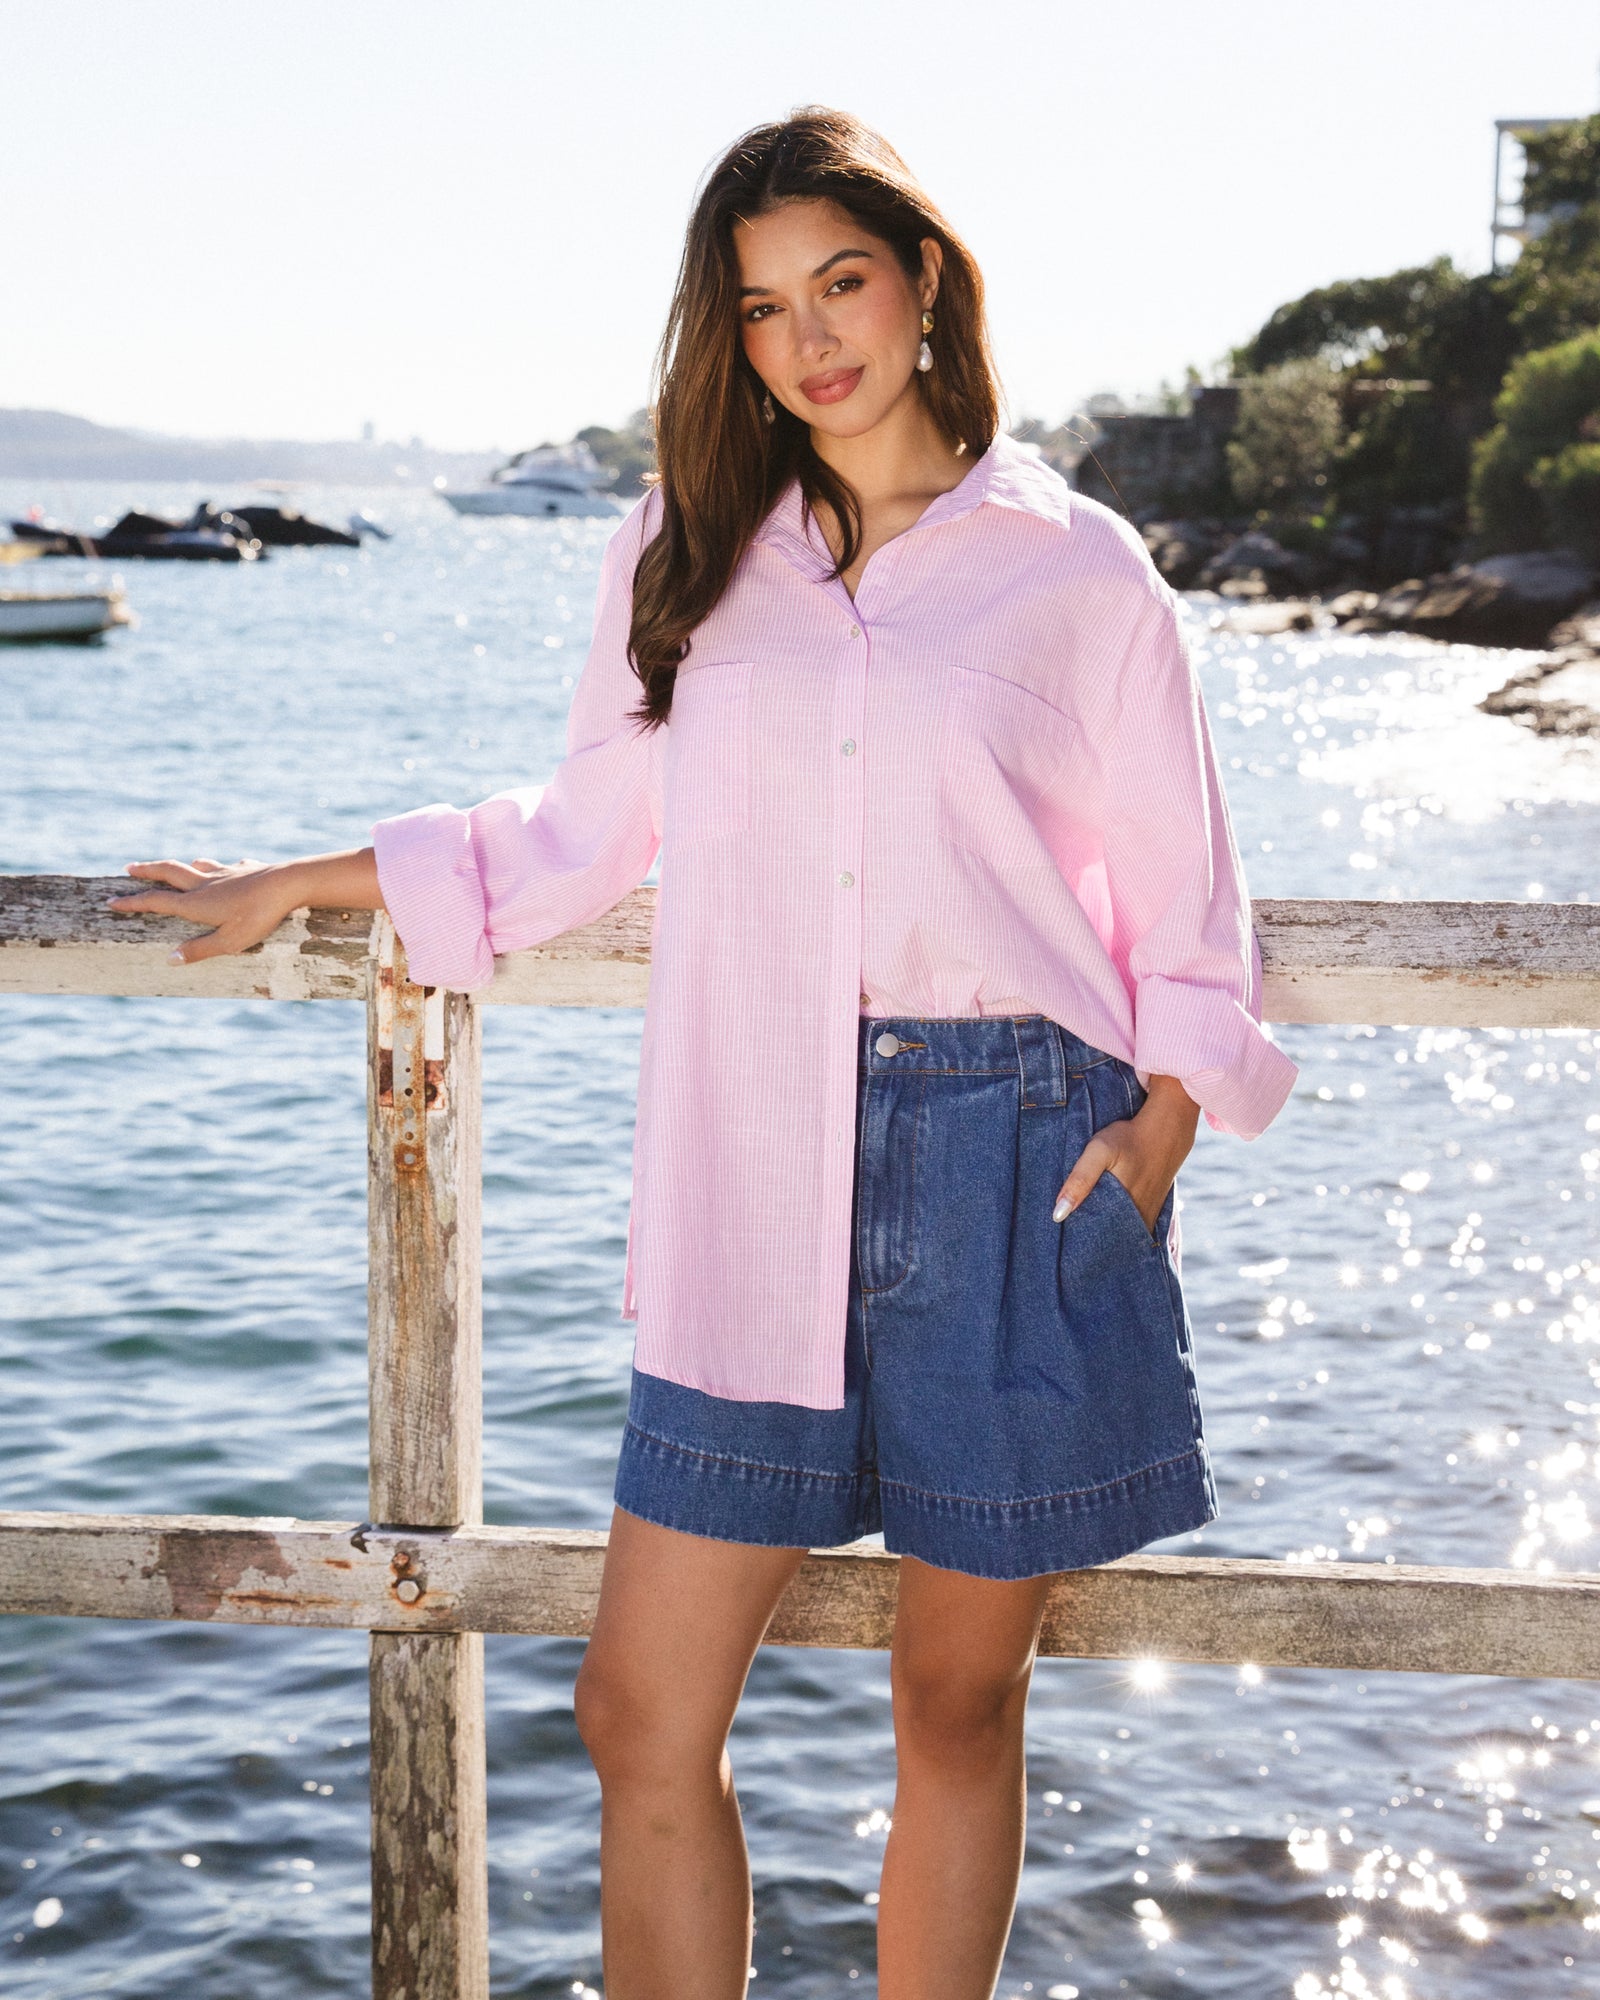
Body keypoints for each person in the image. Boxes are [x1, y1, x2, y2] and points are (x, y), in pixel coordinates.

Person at [110, 107, 1298, 2000]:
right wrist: (309, 876)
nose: (810, 339)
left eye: (841, 282)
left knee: (956, 1700)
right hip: (753, 1150)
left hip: (1013, 1150)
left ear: (923, 284)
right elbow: (583, 831)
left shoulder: (1076, 570)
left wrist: (1153, 1139)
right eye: (760, 309)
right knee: (637, 1709)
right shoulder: (686, 544)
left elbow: (1191, 904)